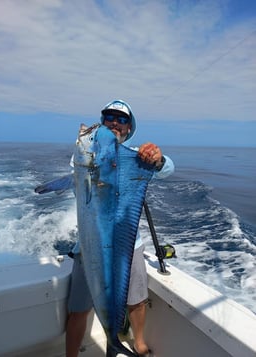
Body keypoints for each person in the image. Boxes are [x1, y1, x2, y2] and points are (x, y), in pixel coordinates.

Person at [66, 100, 174, 357]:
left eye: (121, 119)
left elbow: (167, 168)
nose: (114, 122)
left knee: (136, 299)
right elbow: (81, 164)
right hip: (89, 244)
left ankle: (137, 343)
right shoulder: (87, 153)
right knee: (79, 308)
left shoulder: (137, 155)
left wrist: (157, 159)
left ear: (129, 127)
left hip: (128, 245)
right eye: (109, 117)